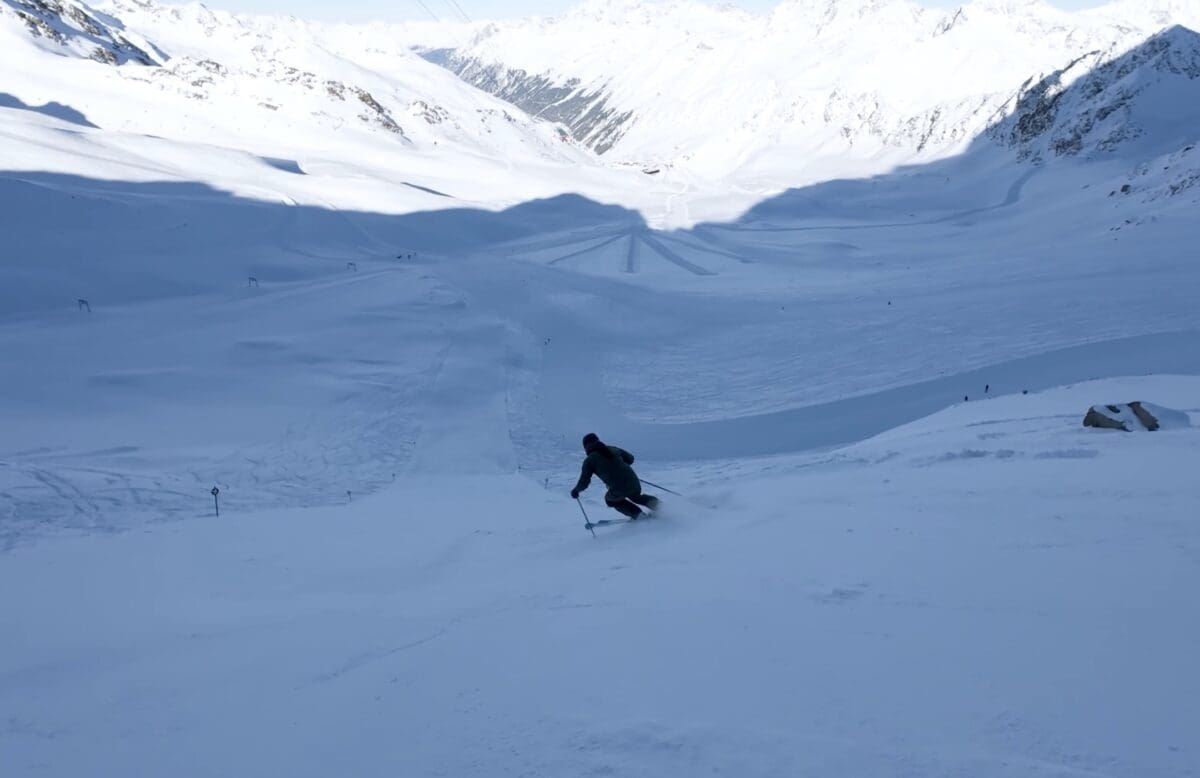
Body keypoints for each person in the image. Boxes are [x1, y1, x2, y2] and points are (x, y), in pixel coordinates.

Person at [570, 433, 660, 519]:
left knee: (610, 500)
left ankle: (638, 515)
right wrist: (620, 467)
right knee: (636, 497)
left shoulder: (589, 461)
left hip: (619, 488)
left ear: (586, 446)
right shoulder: (613, 449)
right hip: (633, 481)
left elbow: (584, 482)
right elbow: (631, 459)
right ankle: (659, 506)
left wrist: (576, 491)